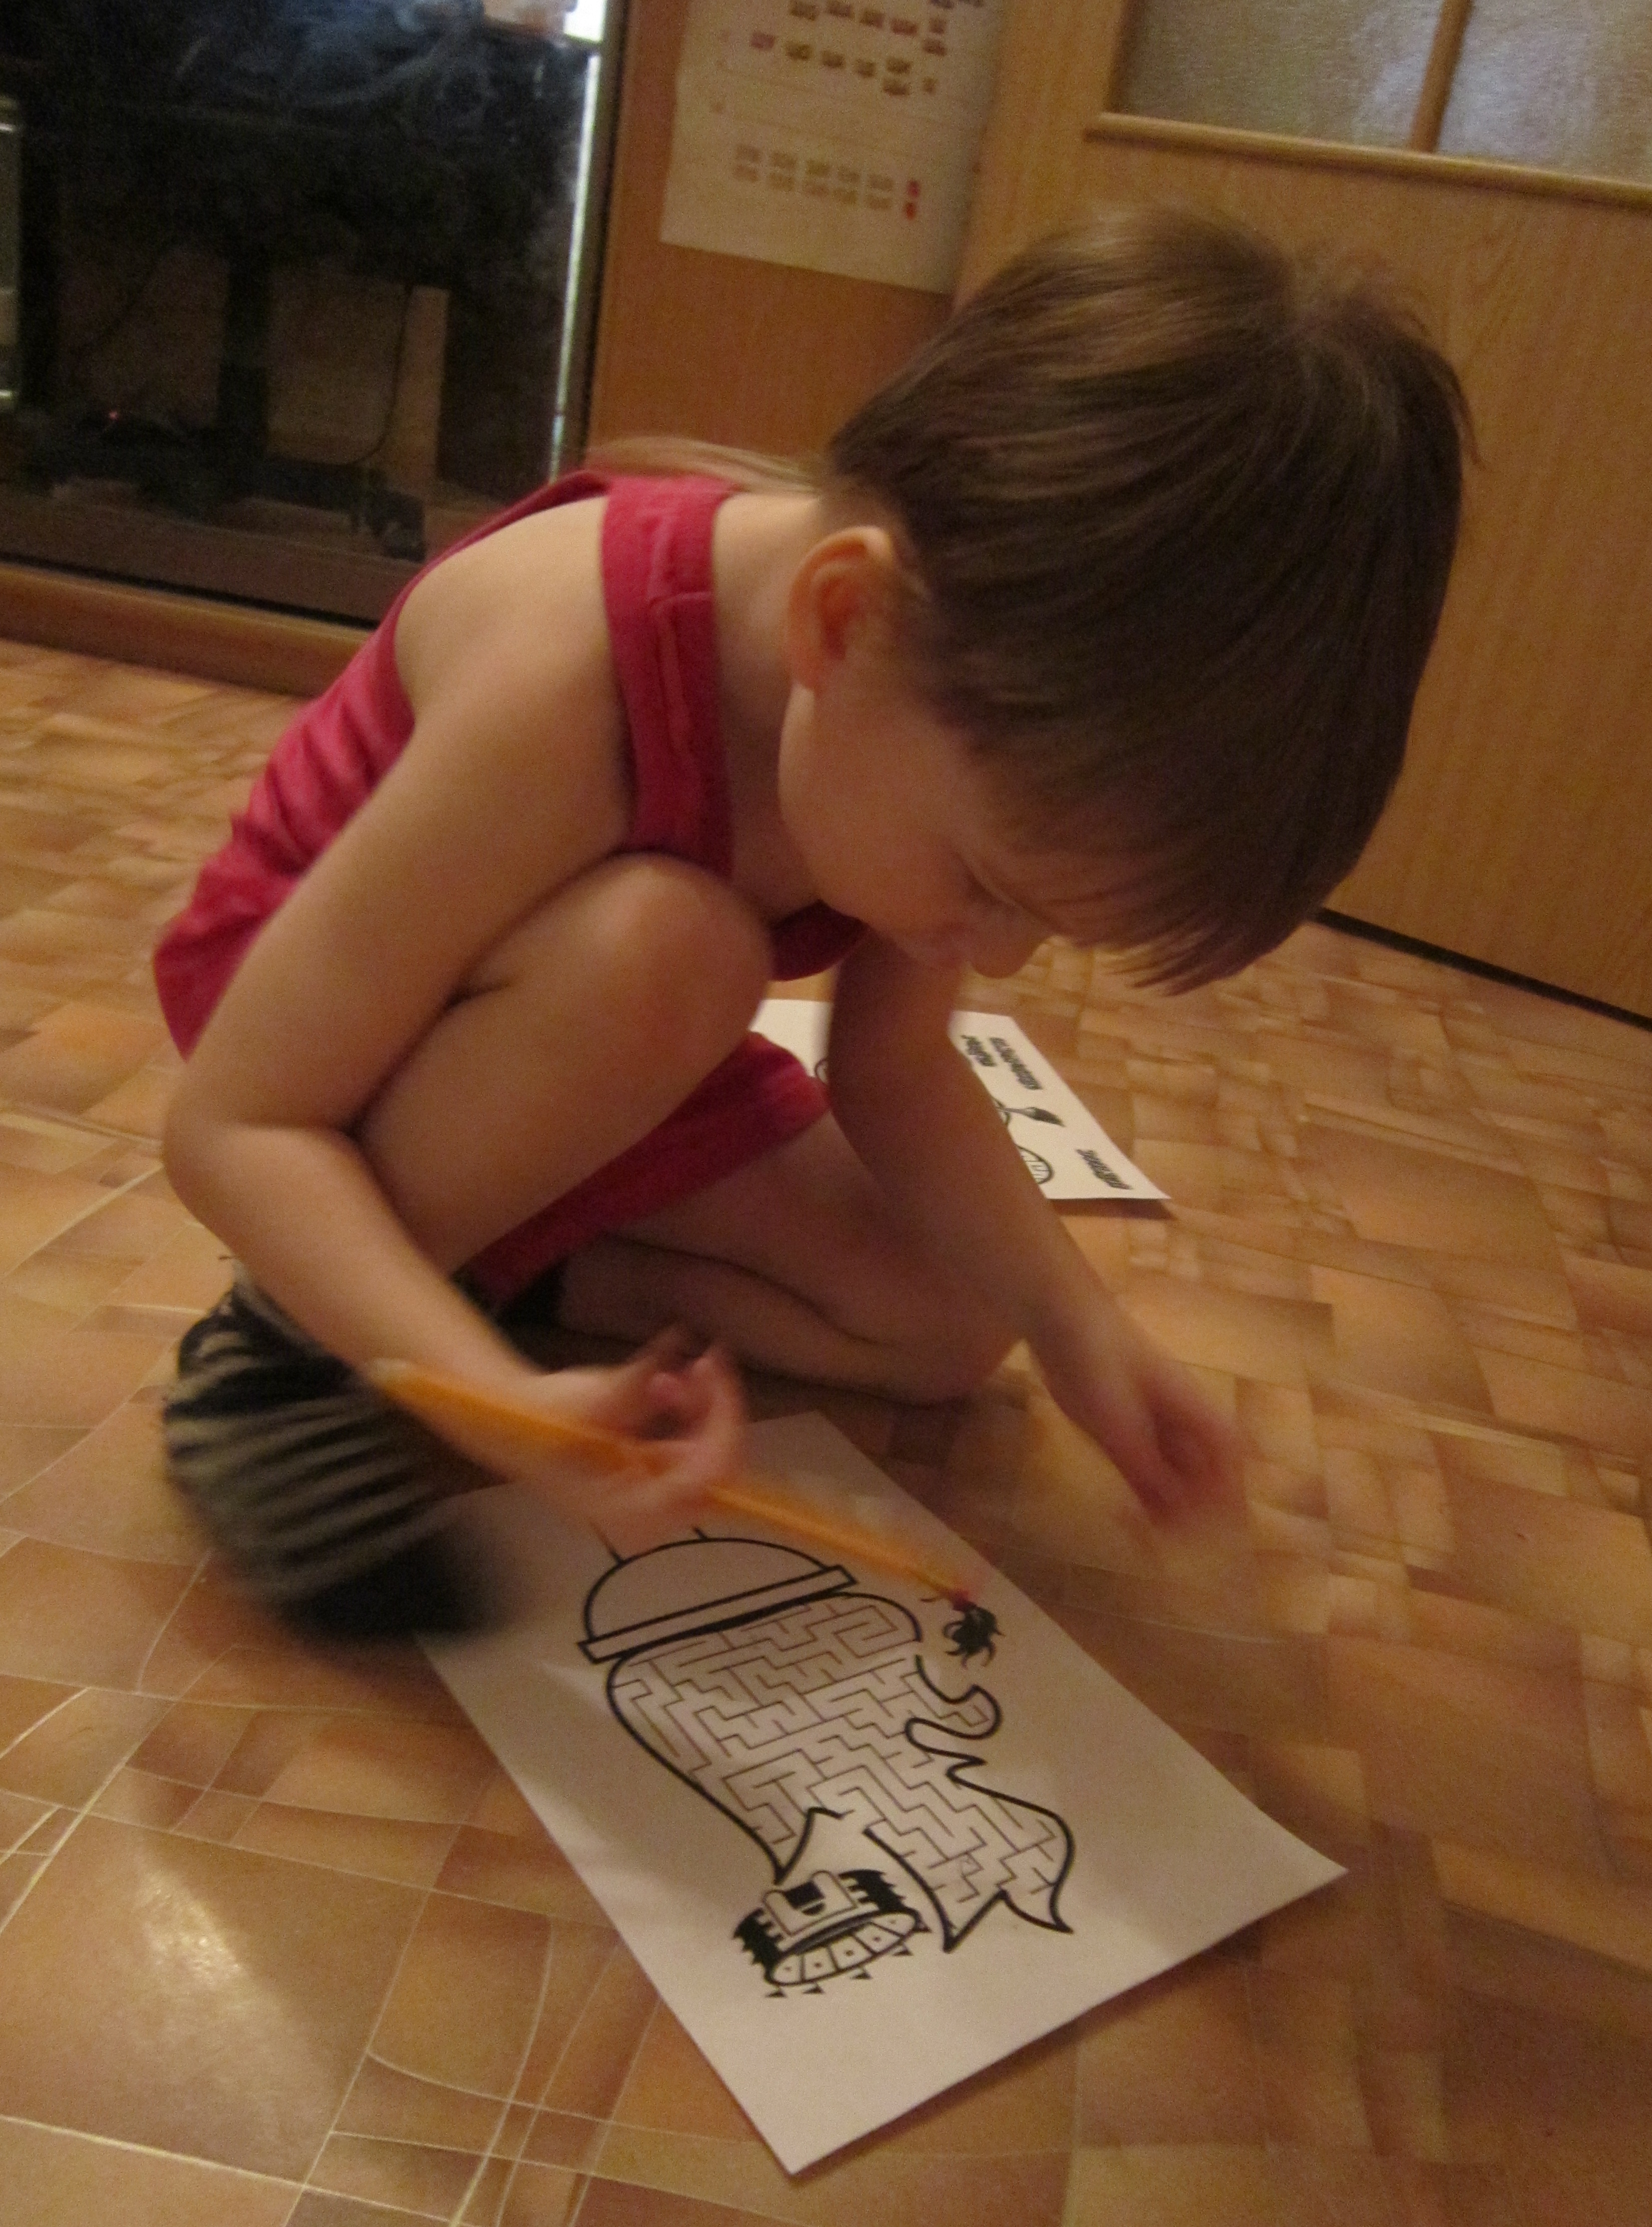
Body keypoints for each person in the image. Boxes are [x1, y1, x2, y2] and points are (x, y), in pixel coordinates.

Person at [154, 206, 1471, 1636]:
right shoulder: (562, 680)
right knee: (678, 951)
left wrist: (1078, 1325)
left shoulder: (913, 695)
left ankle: (478, 1268)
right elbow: (236, 1124)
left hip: (588, 1046)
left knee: (950, 1319)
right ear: (841, 623)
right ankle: (276, 1354)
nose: (998, 953)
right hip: (323, 1041)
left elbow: (894, 1072)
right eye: (991, 887)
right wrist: (483, 1403)